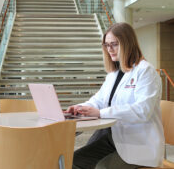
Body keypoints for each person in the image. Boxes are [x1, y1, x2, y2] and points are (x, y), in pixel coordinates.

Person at [66, 22, 165, 169]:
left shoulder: (145, 71)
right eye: (106, 45)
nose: (109, 49)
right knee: (74, 161)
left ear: (128, 43)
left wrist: (100, 113)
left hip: (139, 143)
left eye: (114, 44)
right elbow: (99, 99)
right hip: (114, 137)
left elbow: (142, 111)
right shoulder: (114, 73)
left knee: (102, 167)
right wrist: (82, 108)